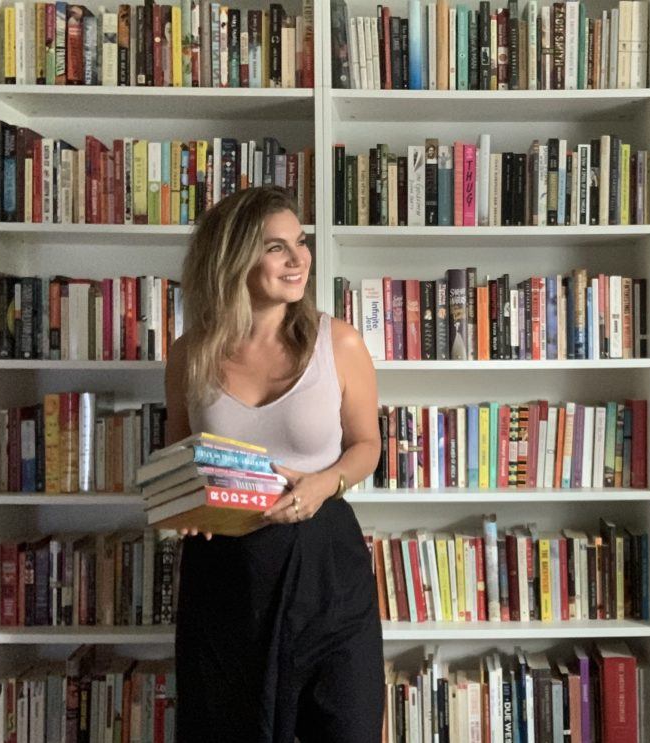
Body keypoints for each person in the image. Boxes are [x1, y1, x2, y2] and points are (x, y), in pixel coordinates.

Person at [163, 186, 384, 742]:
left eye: (301, 243)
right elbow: (177, 457)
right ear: (234, 257)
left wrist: (322, 485)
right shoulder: (189, 352)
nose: (299, 259)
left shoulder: (341, 343)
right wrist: (181, 502)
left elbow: (367, 445)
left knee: (345, 727)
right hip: (226, 575)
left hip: (325, 567)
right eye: (277, 247)